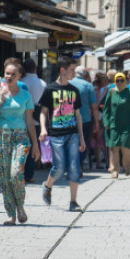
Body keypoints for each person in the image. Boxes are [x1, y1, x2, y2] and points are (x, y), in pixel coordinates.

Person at [0, 58, 40, 225]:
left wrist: (35, 144)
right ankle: (11, 213)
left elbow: (29, 120)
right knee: (3, 177)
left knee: (15, 174)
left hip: (20, 137)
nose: (9, 76)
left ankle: (20, 205)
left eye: (13, 74)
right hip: (1, 137)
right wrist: (0, 100)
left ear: (20, 76)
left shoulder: (25, 95)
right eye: (7, 73)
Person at [40, 57, 85, 210]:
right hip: (56, 134)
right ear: (62, 70)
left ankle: (73, 201)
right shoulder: (50, 89)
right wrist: (43, 129)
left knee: (74, 167)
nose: (73, 73)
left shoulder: (74, 91)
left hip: (73, 134)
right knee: (59, 168)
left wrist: (82, 138)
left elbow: (78, 115)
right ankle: (47, 186)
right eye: (71, 70)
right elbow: (43, 112)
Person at [102, 72, 130, 179]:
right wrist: (106, 122)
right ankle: (115, 170)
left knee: (125, 147)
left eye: (121, 80)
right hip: (113, 124)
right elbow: (106, 109)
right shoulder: (111, 91)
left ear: (125, 81)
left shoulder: (129, 92)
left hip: (126, 125)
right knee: (114, 147)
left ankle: (127, 167)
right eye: (117, 80)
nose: (119, 82)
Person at [20, 58, 45, 183]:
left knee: (22, 146)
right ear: (35, 68)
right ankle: (29, 174)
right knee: (33, 146)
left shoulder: (21, 82)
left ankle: (20, 172)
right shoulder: (42, 83)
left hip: (21, 119)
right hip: (37, 118)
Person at [70, 66, 99, 170]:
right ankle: (78, 164)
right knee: (84, 143)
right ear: (84, 74)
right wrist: (96, 122)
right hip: (85, 119)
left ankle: (73, 164)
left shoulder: (68, 84)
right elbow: (94, 107)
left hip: (69, 119)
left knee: (71, 143)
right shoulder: (88, 86)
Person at [90, 72, 108, 169]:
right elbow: (95, 105)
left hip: (97, 115)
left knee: (99, 140)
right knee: (100, 139)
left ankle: (100, 162)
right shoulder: (99, 89)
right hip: (99, 116)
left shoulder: (95, 88)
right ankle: (104, 162)